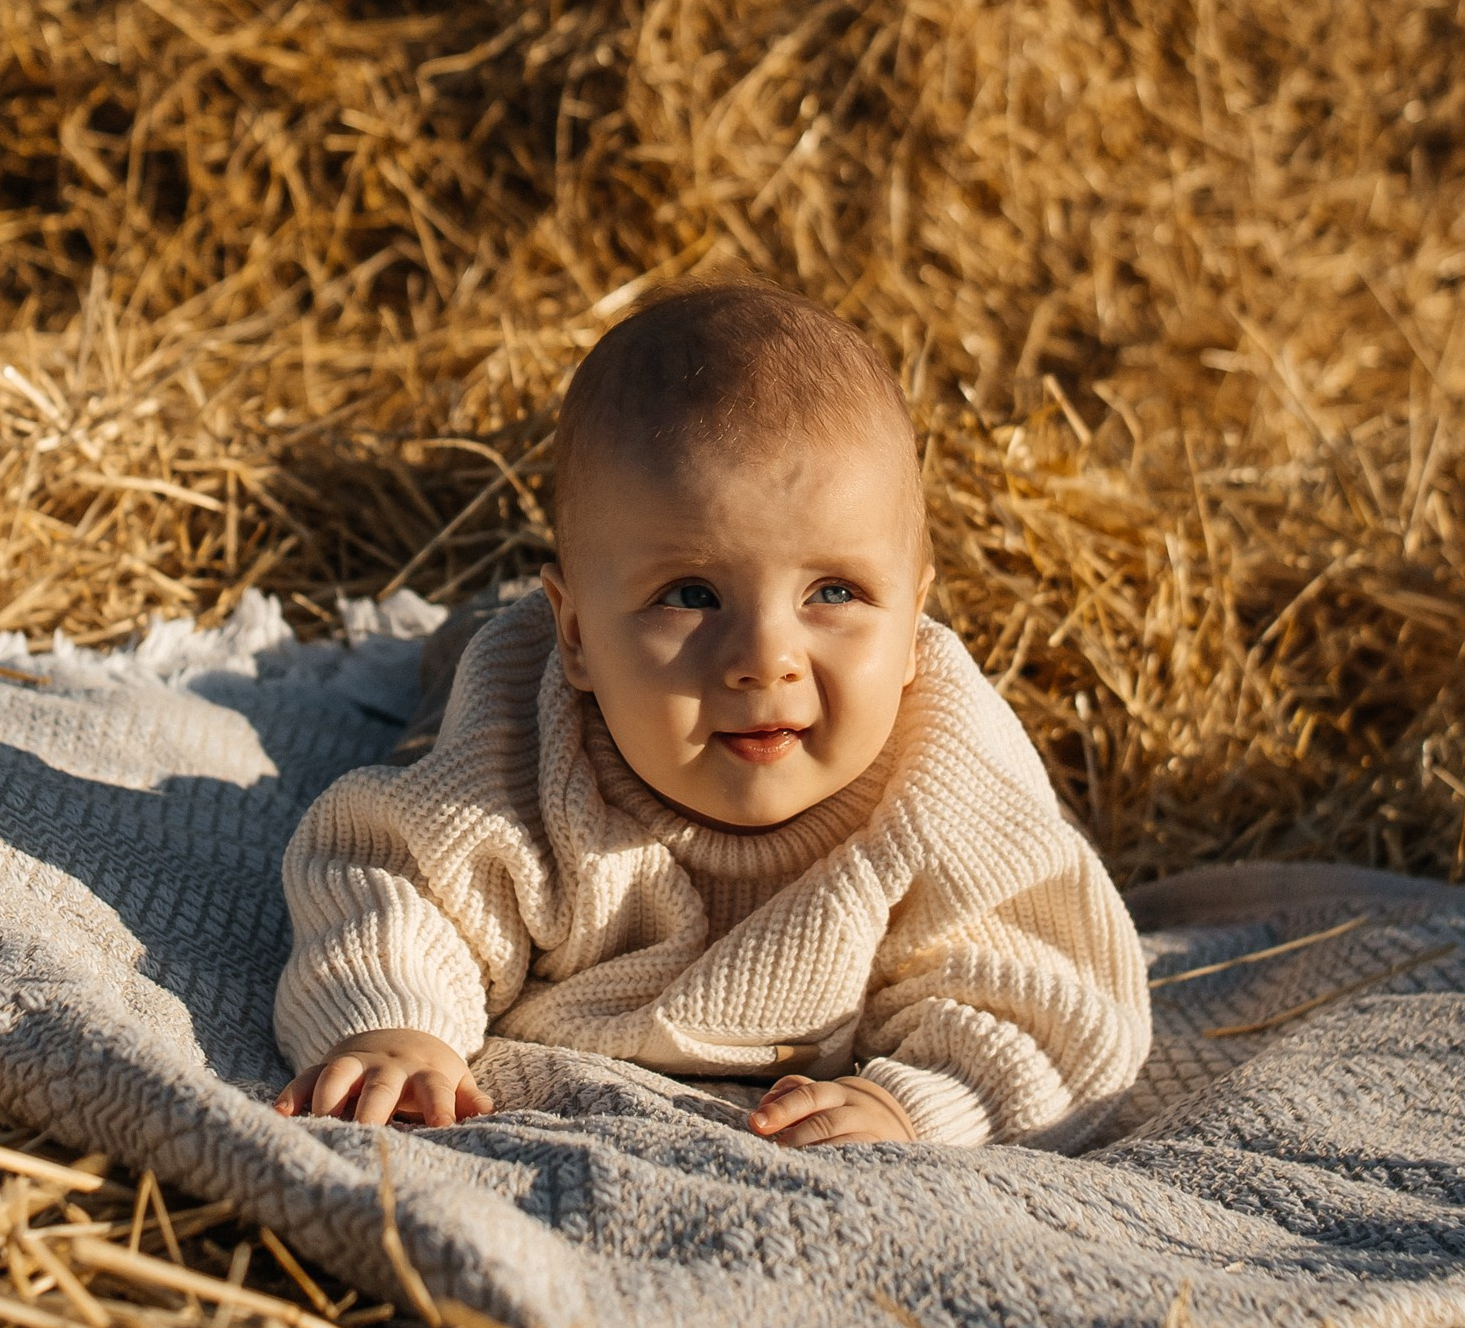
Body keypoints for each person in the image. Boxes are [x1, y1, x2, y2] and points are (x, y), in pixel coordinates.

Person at [272, 286, 1149, 1148]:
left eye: (833, 592)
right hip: (515, 690)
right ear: (576, 635)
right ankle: (465, 632)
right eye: (691, 595)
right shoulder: (522, 760)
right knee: (452, 689)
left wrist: (917, 1103)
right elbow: (397, 883)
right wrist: (395, 1024)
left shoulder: (947, 793)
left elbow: (1046, 998)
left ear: (915, 624)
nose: (765, 657)